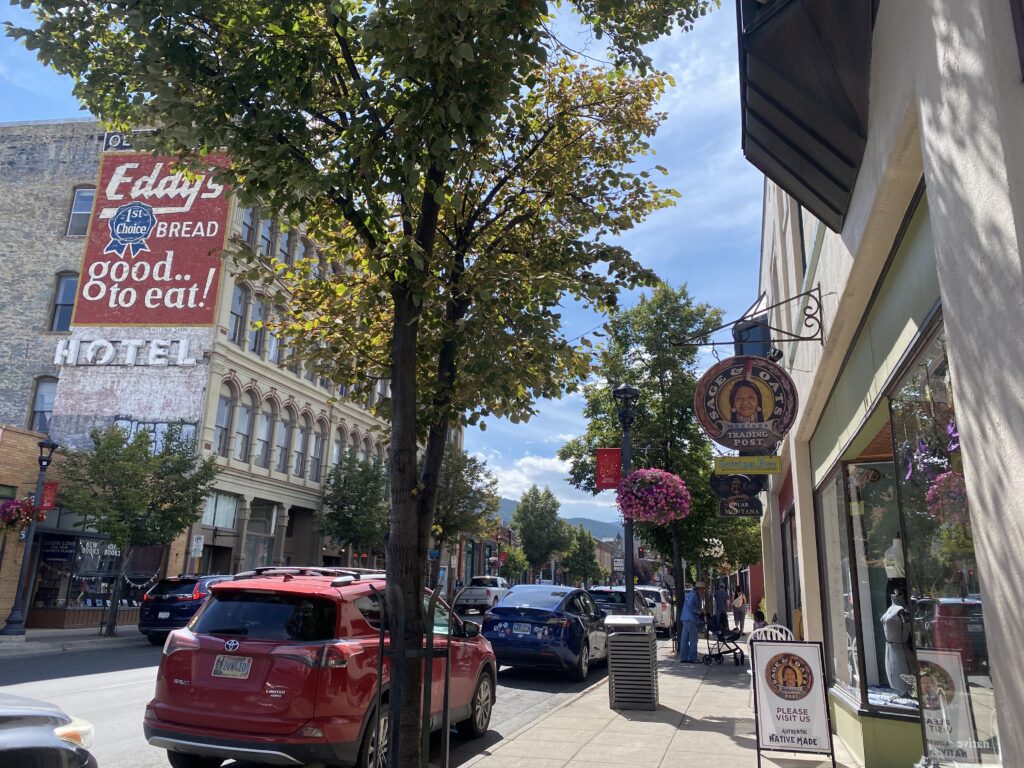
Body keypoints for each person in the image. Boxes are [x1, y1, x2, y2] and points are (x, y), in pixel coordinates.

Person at [678, 582, 706, 663]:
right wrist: (698, 611)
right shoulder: (694, 595)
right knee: (693, 638)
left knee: (685, 639)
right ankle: (692, 658)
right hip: (691, 619)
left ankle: (683, 657)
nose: (703, 591)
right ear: (700, 589)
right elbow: (690, 604)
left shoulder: (691, 594)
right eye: (703, 589)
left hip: (685, 618)